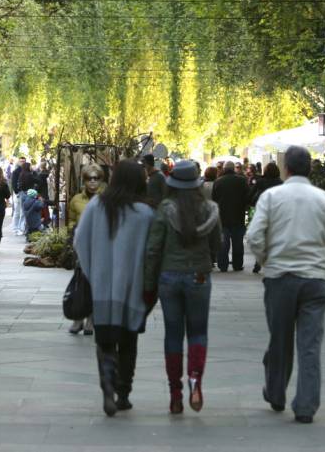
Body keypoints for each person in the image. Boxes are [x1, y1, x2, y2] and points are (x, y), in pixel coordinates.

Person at [247, 146, 325, 424]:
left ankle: (276, 393)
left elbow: (254, 236)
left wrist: (267, 261)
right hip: (315, 281)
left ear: (286, 168)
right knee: (310, 345)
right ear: (310, 169)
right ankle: (305, 406)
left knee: (279, 340)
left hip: (280, 279)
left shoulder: (271, 196)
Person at [72, 160, 154, 417]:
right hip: (134, 290)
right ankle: (123, 393)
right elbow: (153, 253)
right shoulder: (146, 214)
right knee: (129, 342)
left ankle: (107, 386)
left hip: (103, 289)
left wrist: (92, 272)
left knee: (105, 341)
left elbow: (79, 241)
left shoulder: (97, 206)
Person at [144, 160, 221, 414]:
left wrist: (148, 284)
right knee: (198, 333)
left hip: (169, 277)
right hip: (199, 275)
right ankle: (196, 380)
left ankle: (175, 394)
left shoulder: (165, 209)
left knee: (173, 335)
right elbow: (217, 246)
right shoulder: (209, 210)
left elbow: (154, 248)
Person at [67, 165, 105, 335]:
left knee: (96, 284)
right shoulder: (76, 200)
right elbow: (71, 221)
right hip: (81, 247)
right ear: (84, 180)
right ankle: (78, 319)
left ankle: (91, 319)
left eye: (96, 178)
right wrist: (72, 232)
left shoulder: (106, 199)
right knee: (80, 282)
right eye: (89, 178)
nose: (92, 182)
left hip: (100, 246)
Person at [212, 161, 250, 272]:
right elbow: (247, 197)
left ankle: (222, 265)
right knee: (238, 243)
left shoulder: (218, 182)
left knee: (223, 243)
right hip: (238, 216)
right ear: (233, 169)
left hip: (222, 217)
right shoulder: (242, 181)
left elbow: (214, 199)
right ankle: (237, 265)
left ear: (224, 169)